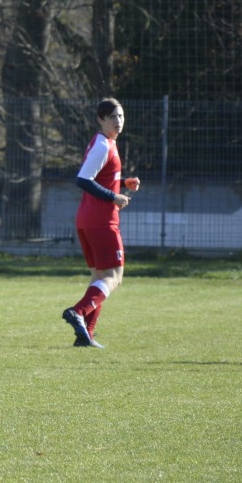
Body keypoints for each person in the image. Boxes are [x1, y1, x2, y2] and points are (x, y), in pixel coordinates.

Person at [63, 97, 141, 348]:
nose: (118, 121)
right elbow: (83, 179)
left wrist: (122, 183)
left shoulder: (105, 142)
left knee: (99, 277)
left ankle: (86, 335)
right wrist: (114, 197)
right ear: (100, 120)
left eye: (121, 116)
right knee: (114, 277)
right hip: (102, 220)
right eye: (112, 117)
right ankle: (78, 311)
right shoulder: (103, 145)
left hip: (88, 218)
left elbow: (98, 177)